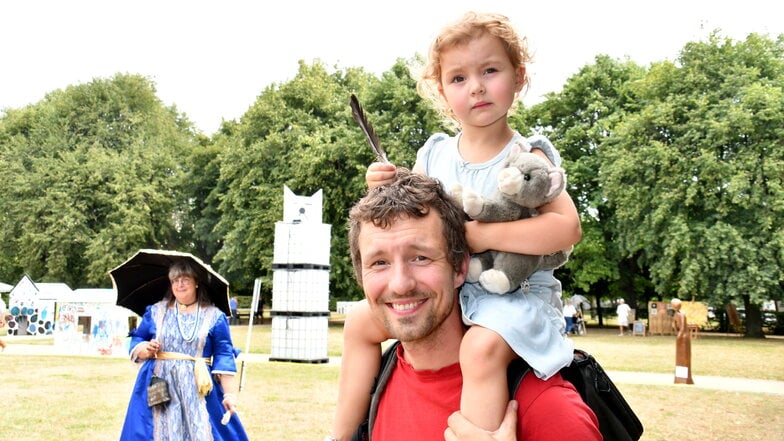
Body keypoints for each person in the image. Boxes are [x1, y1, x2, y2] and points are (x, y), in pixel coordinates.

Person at [330, 11, 582, 438]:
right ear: (444, 93)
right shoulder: (435, 154)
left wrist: (481, 235)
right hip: (456, 286)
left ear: (518, 77)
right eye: (459, 78)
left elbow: (566, 229)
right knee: (357, 323)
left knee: (480, 349)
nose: (477, 87)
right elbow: (411, 214)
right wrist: (382, 182)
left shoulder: (526, 158)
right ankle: (340, 433)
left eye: (490, 70)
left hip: (514, 295)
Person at [343, 169, 600, 440]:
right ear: (361, 275)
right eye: (379, 263)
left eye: (420, 258)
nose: (400, 284)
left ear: (460, 267)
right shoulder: (375, 383)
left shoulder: (547, 409)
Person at [119, 260, 249, 441]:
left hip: (199, 386)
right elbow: (138, 338)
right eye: (174, 280)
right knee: (157, 431)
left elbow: (223, 355)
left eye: (185, 279)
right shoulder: (156, 312)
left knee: (202, 431)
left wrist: (229, 395)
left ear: (196, 282)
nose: (179, 284)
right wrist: (144, 349)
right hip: (159, 381)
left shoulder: (215, 316)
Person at [670, 298, 694, 384]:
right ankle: (680, 377)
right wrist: (677, 332)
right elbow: (675, 325)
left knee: (684, 357)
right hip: (681, 336)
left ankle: (685, 378)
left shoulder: (681, 314)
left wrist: (679, 335)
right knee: (680, 357)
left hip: (683, 336)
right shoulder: (677, 314)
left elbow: (683, 326)